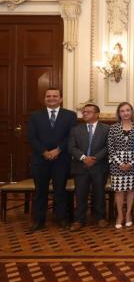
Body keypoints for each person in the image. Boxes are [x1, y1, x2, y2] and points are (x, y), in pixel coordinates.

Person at [27, 88, 77, 232]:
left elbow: (71, 136)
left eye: (55, 96)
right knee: (40, 191)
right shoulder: (35, 115)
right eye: (48, 96)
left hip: (61, 159)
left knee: (60, 190)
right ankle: (38, 220)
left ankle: (62, 219)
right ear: (44, 99)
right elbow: (31, 136)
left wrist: (58, 150)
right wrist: (44, 152)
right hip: (40, 159)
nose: (51, 98)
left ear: (61, 98)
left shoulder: (70, 115)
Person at [68, 104, 110, 231]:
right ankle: (79, 220)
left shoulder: (107, 129)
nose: (85, 114)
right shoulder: (76, 129)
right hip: (81, 166)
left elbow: (108, 147)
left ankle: (100, 218)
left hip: (99, 166)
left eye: (88, 112)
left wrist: (95, 158)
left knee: (99, 193)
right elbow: (71, 147)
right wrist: (83, 158)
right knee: (80, 194)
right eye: (84, 112)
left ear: (97, 114)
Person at [107, 102, 134, 229]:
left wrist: (130, 163)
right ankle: (120, 215)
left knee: (131, 190)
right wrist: (120, 163)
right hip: (117, 164)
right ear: (119, 113)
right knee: (119, 191)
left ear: (131, 112)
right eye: (122, 111)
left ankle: (129, 215)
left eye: (128, 110)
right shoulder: (113, 128)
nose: (125, 113)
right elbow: (110, 147)